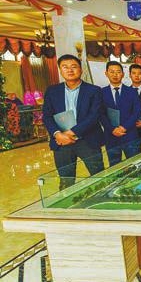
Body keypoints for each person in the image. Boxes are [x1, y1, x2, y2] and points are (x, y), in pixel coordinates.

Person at [42, 54, 104, 189]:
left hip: (87, 141)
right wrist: (58, 134)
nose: (70, 70)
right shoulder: (52, 91)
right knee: (66, 180)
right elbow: (46, 116)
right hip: (61, 142)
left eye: (74, 66)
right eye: (65, 67)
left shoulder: (94, 90)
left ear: (81, 69)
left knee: (98, 177)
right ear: (60, 70)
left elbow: (94, 116)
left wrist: (70, 133)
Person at [100, 61, 141, 166]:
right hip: (111, 137)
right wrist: (112, 129)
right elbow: (101, 114)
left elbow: (136, 112)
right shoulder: (101, 93)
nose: (115, 75)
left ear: (122, 74)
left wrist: (124, 127)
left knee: (135, 164)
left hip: (130, 135)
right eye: (112, 72)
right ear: (106, 73)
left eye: (118, 72)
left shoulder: (132, 91)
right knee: (114, 166)